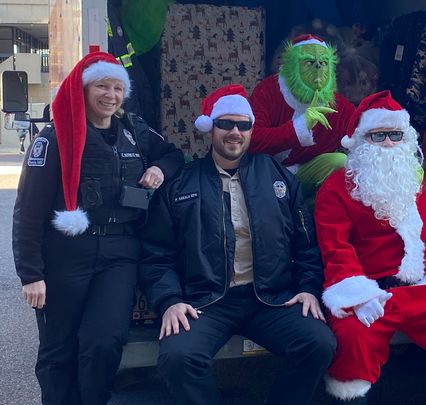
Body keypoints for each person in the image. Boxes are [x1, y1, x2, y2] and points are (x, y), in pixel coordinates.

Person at [139, 84, 337, 405]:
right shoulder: (181, 184)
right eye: (226, 124)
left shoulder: (276, 176)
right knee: (177, 358)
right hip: (207, 302)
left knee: (319, 344)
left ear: (251, 130)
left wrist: (308, 288)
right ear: (211, 128)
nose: (235, 132)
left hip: (270, 299)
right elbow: (157, 254)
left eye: (243, 125)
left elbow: (306, 243)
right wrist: (170, 300)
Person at [12, 51, 184, 405]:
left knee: (104, 342)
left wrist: (159, 169)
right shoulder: (54, 138)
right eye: (102, 86)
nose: (111, 95)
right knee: (59, 348)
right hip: (66, 252)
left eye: (118, 88)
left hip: (120, 254)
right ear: (84, 89)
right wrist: (31, 274)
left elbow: (173, 155)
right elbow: (28, 211)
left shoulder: (134, 130)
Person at [314, 91, 426, 404]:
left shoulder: (413, 181)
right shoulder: (335, 187)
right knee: (352, 342)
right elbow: (336, 248)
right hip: (366, 290)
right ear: (360, 141)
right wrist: (359, 295)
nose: (388, 143)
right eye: (378, 135)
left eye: (395, 134)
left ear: (406, 138)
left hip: (414, 285)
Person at [248, 34, 355, 207]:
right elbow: (251, 139)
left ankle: (312, 212)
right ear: (292, 66)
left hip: (304, 177)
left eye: (323, 63)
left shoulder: (337, 105)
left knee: (340, 162)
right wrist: (298, 128)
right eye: (309, 62)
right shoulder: (268, 91)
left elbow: (363, 128)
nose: (318, 67)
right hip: (265, 177)